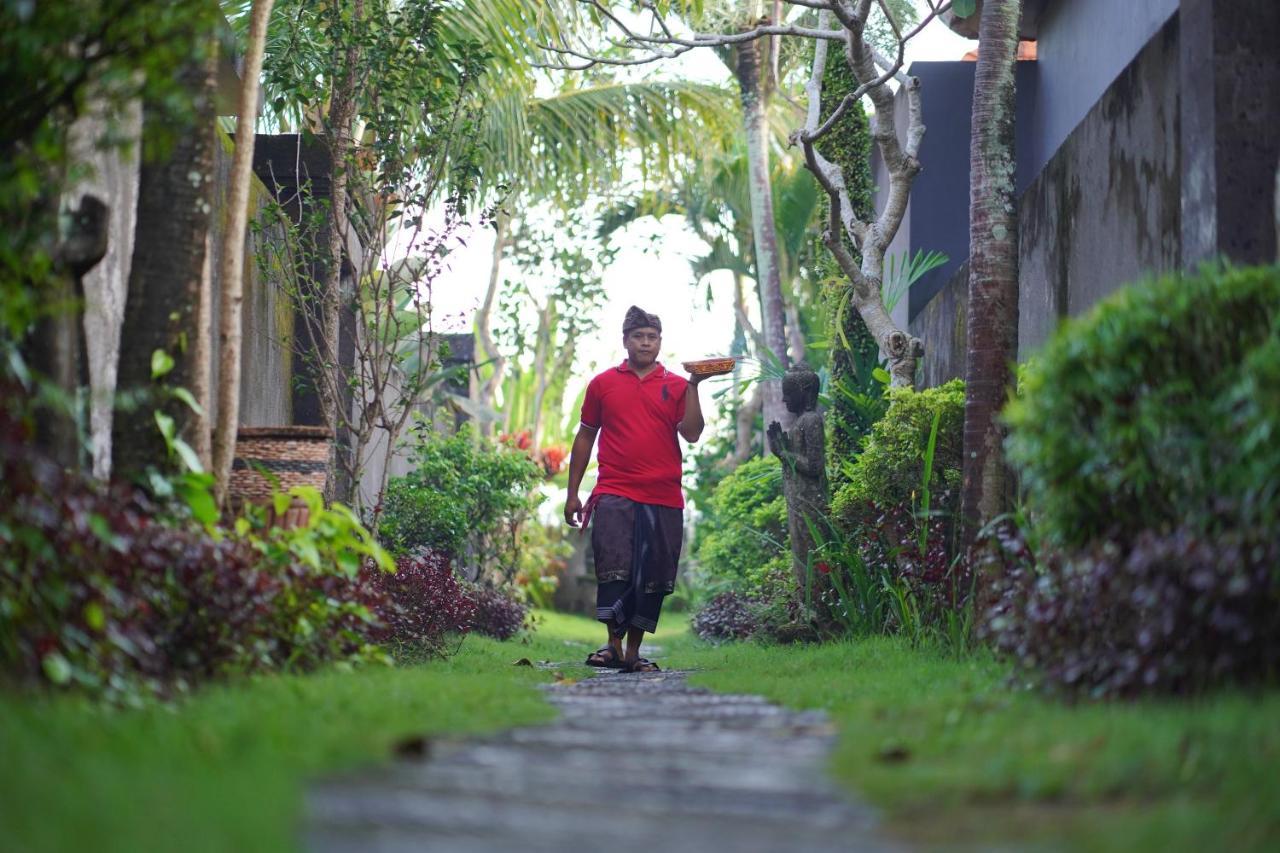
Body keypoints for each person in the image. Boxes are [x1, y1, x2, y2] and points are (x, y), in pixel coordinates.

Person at [563, 305, 711, 673]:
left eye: (652, 337)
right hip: (614, 490)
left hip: (663, 496)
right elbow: (585, 437)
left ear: (660, 342)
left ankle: (633, 653)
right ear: (625, 340)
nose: (646, 343)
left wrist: (693, 387)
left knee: (652, 576)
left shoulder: (677, 385)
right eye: (638, 336)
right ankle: (612, 646)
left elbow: (692, 433)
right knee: (615, 569)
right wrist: (572, 492)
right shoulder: (602, 384)